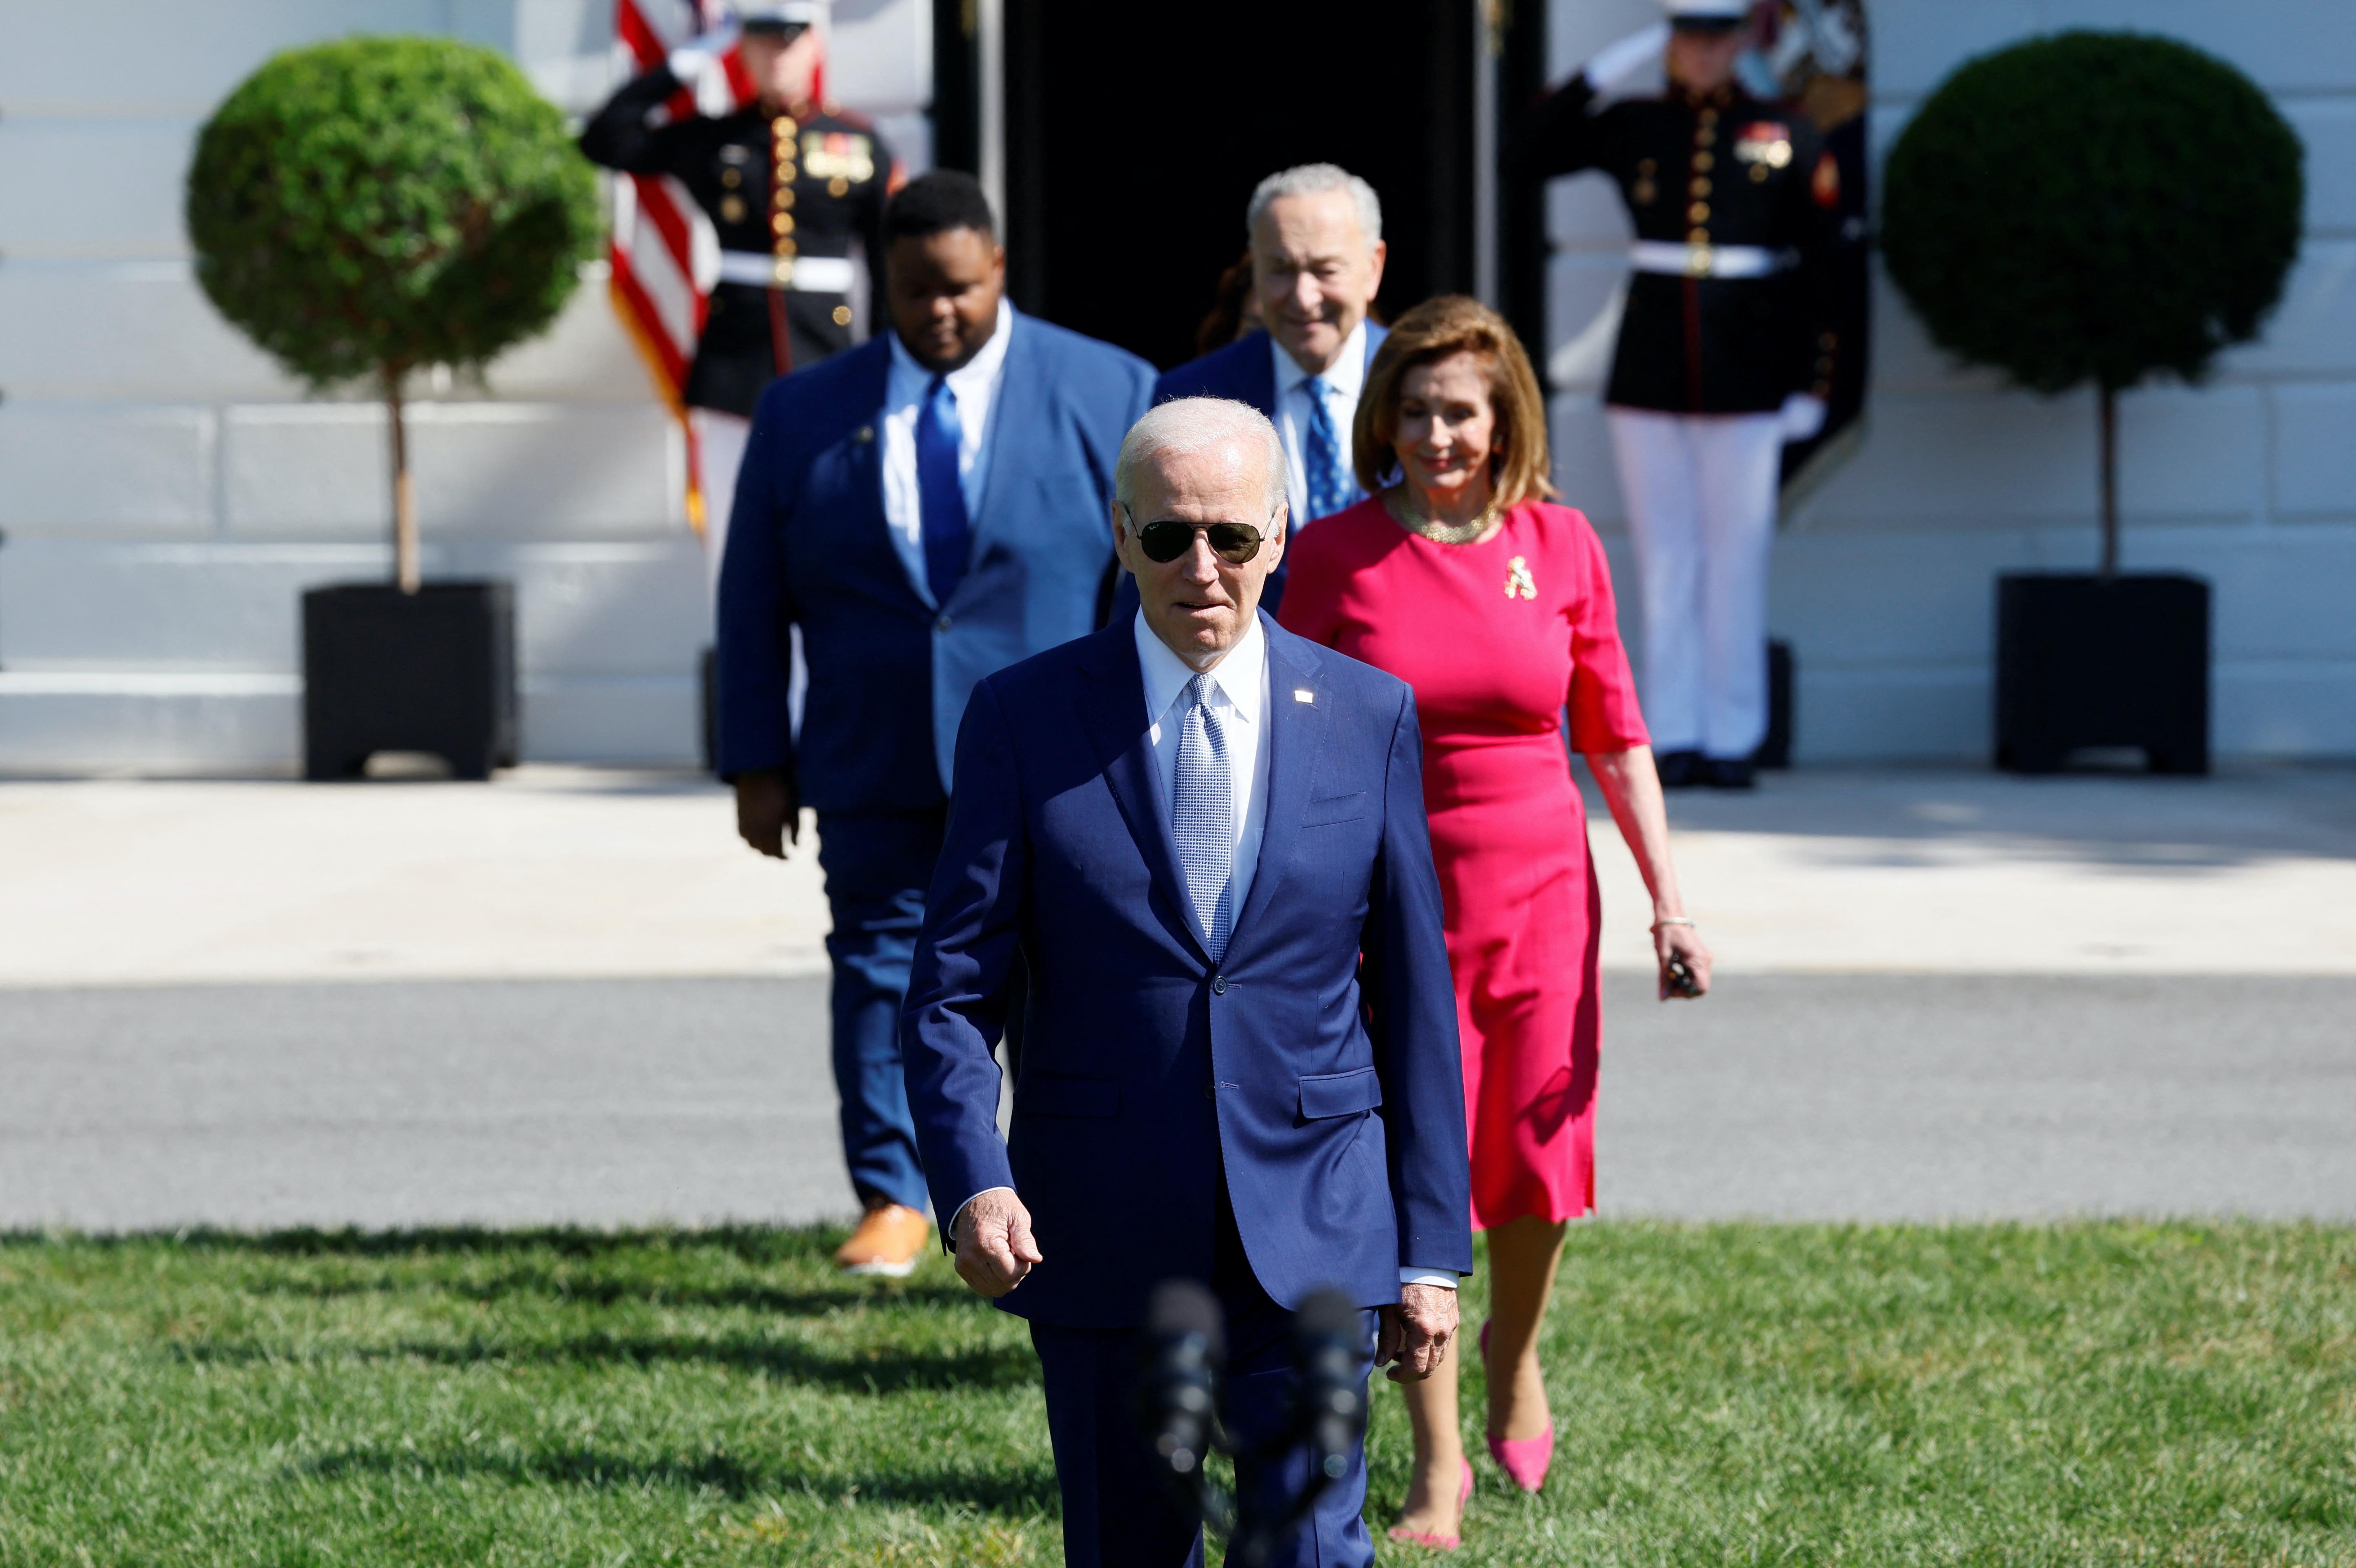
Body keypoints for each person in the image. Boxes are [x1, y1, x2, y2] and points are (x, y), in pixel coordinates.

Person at [900, 398, 1473, 1568]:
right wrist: (973, 1183)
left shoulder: (1367, 714)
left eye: (1231, 536)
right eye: (1167, 537)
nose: (1200, 568)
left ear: (1280, 534)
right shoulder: (1023, 717)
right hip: (1099, 1223)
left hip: (1313, 1215)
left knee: (1308, 1546)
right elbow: (951, 989)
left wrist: (1425, 1250)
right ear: (1121, 535)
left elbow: (1416, 1000)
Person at [1279, 296, 1713, 1547]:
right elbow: (1290, 739)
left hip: (1541, 897)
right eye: (1414, 411)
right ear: (1385, 419)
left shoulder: (1561, 544)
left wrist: (1668, 903)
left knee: (1536, 1154)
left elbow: (1615, 736)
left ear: (1503, 418)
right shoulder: (1335, 554)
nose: (1437, 435)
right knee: (1415, 1162)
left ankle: (1513, 1354)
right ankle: (1438, 1457)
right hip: (1395, 900)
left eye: (1459, 412)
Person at [717, 171, 1155, 1276]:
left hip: (1058, 764)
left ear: (998, 268)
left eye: (960, 287)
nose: (940, 310)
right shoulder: (802, 411)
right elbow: (752, 594)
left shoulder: (1108, 387)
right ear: (883, 282)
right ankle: (892, 1194)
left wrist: (1139, 734)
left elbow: (1145, 578)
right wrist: (756, 758)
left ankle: (1052, 1186)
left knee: (1065, 975)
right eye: (915, 290)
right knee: (880, 971)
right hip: (875, 753)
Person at [1533, 0, 1844, 788]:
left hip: (1750, 368)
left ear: (1742, 40)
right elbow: (1531, 145)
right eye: (1686, 36)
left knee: (1737, 557)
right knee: (1664, 559)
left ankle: (1733, 736)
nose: (1702, 53)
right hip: (1652, 365)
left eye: (1716, 36)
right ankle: (1673, 731)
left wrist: (1814, 379)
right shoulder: (1637, 122)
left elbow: (1825, 266)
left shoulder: (1785, 128)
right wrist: (1621, 58)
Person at [579, 0, 899, 588]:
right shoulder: (715, 138)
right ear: (741, 49)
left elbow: (885, 271)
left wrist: (885, 370)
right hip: (735, 366)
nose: (777, 55)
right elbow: (604, 140)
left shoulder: (858, 143)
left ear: (814, 46)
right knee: (733, 541)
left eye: (790, 40)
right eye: (761, 40)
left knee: (825, 539)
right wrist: (686, 61)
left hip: (827, 359)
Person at [1150, 165, 1391, 615]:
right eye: (1280, 269)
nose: (1303, 297)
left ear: (1373, 267)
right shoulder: (1193, 396)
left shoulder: (1427, 391)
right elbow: (1153, 578)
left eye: (1325, 270)